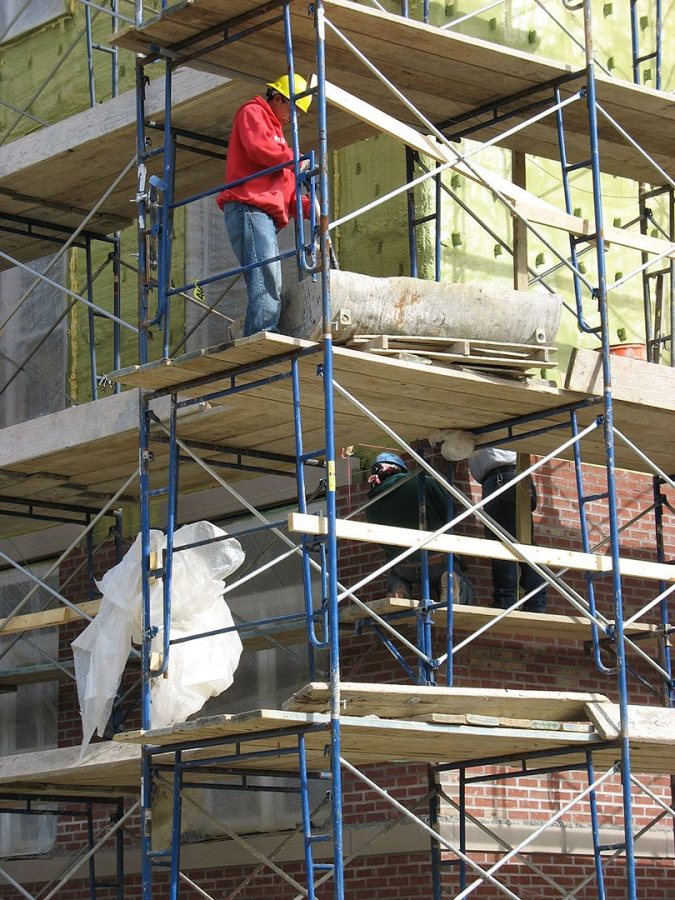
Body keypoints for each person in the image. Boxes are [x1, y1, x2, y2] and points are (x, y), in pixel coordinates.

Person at [216, 74, 312, 337]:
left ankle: (260, 334)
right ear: (278, 97)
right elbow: (259, 149)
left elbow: (289, 194)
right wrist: (294, 159)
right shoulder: (252, 112)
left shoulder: (280, 142)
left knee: (266, 276)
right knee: (266, 275)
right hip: (249, 208)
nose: (293, 118)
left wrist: (310, 207)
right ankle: (262, 336)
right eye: (293, 109)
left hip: (261, 215)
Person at [365, 452, 473, 604]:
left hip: (404, 567)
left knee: (395, 574)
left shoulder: (370, 505)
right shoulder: (423, 482)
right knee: (460, 579)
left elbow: (383, 544)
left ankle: (399, 589)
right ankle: (450, 582)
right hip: (436, 560)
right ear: (402, 470)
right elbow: (450, 513)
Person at [468, 448, 547, 612]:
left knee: (502, 543)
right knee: (521, 541)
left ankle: (507, 600)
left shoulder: (486, 424)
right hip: (510, 476)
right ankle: (534, 601)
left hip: (502, 478)